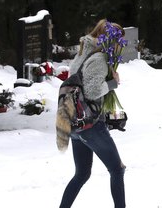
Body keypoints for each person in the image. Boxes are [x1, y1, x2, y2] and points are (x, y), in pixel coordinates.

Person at [59, 19, 125, 208]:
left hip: (76, 123)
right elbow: (92, 91)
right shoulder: (99, 58)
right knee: (117, 170)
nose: (119, 46)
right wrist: (113, 82)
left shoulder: (83, 52)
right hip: (90, 125)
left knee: (82, 174)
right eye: (118, 41)